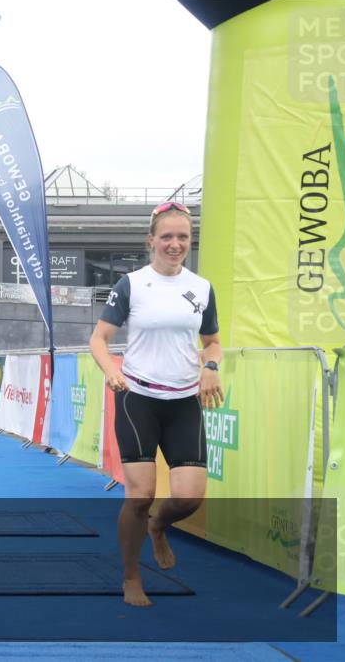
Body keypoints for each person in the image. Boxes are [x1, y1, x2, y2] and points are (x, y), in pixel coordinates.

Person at [89, 201, 223, 607]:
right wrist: (111, 369)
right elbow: (99, 339)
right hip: (137, 398)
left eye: (183, 237)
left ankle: (158, 527)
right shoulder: (131, 284)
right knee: (140, 493)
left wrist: (212, 366)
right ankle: (132, 576)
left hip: (183, 400)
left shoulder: (201, 288)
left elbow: (212, 340)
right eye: (167, 236)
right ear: (151, 240)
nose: (175, 244)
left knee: (188, 497)